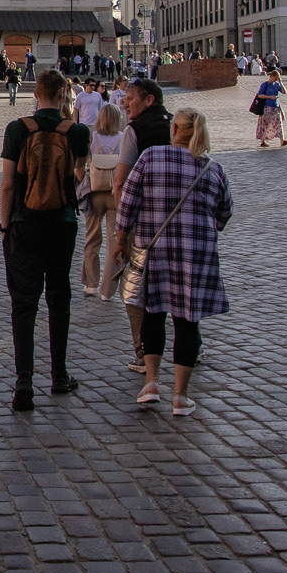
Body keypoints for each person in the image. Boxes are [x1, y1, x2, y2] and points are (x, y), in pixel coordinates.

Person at [107, 109, 232, 417]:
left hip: (154, 250)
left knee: (153, 314)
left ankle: (151, 383)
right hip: (196, 255)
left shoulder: (150, 157)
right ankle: (181, 395)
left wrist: (120, 239)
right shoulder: (213, 169)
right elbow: (224, 212)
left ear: (174, 128)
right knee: (187, 322)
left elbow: (128, 203)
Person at [0, 69, 90, 412]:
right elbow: (78, 175)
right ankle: (59, 374)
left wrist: (6, 225)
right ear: (65, 94)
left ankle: (24, 380)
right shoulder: (77, 131)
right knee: (58, 297)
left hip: (24, 220)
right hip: (62, 221)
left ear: (35, 93)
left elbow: (8, 184)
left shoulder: (17, 129)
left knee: (23, 302)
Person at [107, 78, 174, 372]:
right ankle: (191, 347)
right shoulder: (178, 124)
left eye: (131, 99)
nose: (125, 104)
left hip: (144, 224)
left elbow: (121, 182)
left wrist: (122, 230)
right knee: (179, 282)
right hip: (177, 220)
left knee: (135, 287)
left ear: (149, 100)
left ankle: (142, 353)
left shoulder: (134, 131)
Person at [80, 103, 125, 296]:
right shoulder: (123, 138)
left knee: (92, 239)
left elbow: (81, 165)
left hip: (95, 192)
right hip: (115, 193)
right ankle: (108, 289)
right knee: (113, 242)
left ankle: (91, 284)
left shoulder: (93, 138)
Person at [252, 69, 287, 147]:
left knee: (279, 124)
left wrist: (281, 82)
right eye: (275, 78)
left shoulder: (277, 84)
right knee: (265, 124)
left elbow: (284, 92)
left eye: (277, 78)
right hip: (267, 106)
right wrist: (270, 97)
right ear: (271, 76)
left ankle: (282, 141)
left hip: (276, 107)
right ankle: (263, 141)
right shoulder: (265, 84)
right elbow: (260, 95)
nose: (276, 79)